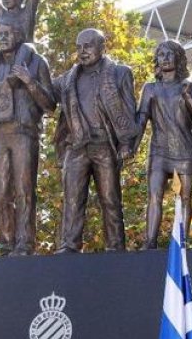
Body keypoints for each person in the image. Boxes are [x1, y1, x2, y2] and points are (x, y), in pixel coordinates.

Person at [52, 28, 140, 253]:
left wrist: (127, 144)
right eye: (79, 47)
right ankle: (70, 245)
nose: (83, 52)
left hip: (105, 145)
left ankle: (115, 247)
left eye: (88, 46)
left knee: (110, 199)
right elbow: (46, 93)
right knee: (72, 199)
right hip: (77, 145)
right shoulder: (68, 78)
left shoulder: (120, 73)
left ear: (103, 47)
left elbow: (130, 112)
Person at [0, 20, 56, 255]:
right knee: (1, 192)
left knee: (24, 189)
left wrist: (29, 82)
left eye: (6, 33)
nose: (1, 38)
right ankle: (5, 243)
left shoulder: (36, 62)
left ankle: (24, 243)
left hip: (24, 133)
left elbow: (50, 104)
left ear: (18, 35)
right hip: (0, 135)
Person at [137, 40, 192, 246]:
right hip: (159, 150)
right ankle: (150, 242)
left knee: (185, 198)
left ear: (179, 58)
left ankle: (182, 242)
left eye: (170, 54)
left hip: (184, 150)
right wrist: (130, 145)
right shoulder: (150, 88)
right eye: (161, 54)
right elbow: (141, 119)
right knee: (154, 195)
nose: (166, 58)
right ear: (157, 60)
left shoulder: (190, 86)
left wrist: (188, 97)